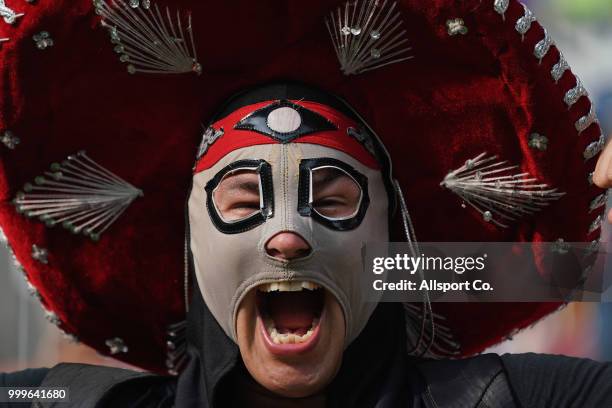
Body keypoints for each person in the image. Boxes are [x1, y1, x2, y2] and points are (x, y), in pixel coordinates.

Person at [0, 0, 611, 407]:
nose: (287, 237)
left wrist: (584, 263)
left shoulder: (502, 399)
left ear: (390, 240)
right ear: (190, 241)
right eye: (242, 201)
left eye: (333, 199)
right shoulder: (67, 402)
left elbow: (566, 267)